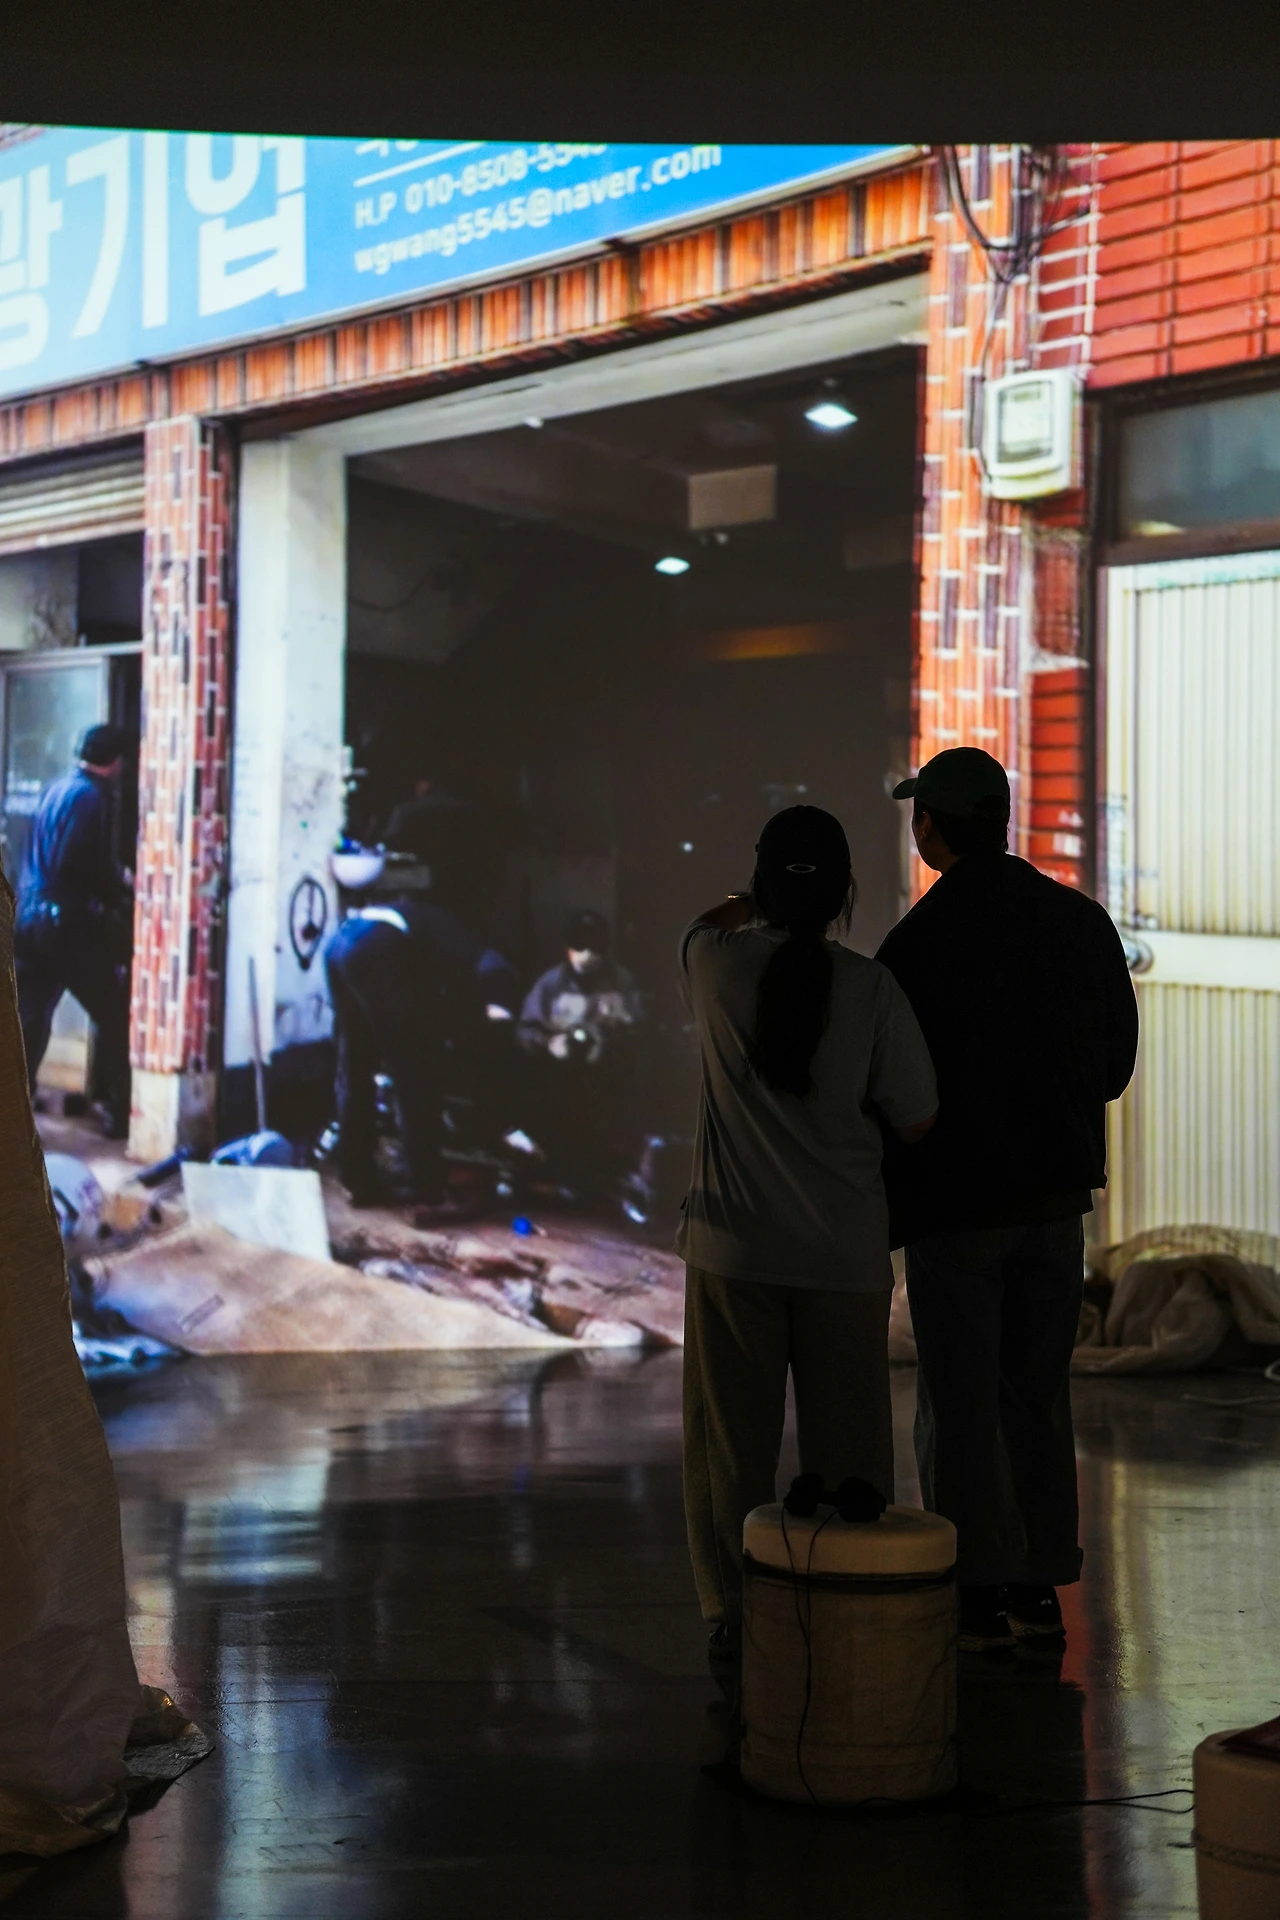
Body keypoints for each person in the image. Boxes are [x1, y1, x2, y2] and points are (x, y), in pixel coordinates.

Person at [878, 748, 1138, 1653]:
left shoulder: (915, 946)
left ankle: (976, 1590)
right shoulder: (1079, 922)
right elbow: (1114, 1065)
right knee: (1036, 1393)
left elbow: (894, 1091)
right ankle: (1038, 1581)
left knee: (960, 1401)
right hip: (1056, 1203)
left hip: (956, 1210)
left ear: (931, 829)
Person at [677, 806, 938, 1691]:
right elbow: (917, 1116)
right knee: (852, 1461)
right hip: (844, 1258)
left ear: (759, 885)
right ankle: (846, 1607)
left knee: (729, 1454)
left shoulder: (714, 966)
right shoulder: (873, 990)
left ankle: (731, 1617)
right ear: (843, 895)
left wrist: (744, 901)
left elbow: (701, 925)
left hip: (733, 1254)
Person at [323, 893, 519, 1211]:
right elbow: (493, 968)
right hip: (374, 946)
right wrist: (501, 1012)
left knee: (356, 1067)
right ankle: (426, 1183)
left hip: (338, 943)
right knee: (412, 1071)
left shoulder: (426, 925)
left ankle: (357, 1180)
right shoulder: (466, 944)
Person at [14, 722, 133, 1137]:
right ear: (114, 762)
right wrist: (120, 885)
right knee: (115, 1013)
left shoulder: (56, 789)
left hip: (29, 916)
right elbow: (77, 863)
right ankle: (120, 1110)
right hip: (64, 923)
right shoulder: (90, 798)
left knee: (28, 1017)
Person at [516, 910, 644, 1200]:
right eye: (580, 945)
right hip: (559, 1075)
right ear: (567, 947)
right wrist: (549, 1044)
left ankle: (602, 1180)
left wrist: (608, 1044)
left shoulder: (622, 982)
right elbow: (525, 1031)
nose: (588, 954)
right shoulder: (550, 984)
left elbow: (638, 1030)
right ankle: (557, 1178)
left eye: (595, 946)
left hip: (606, 1076)